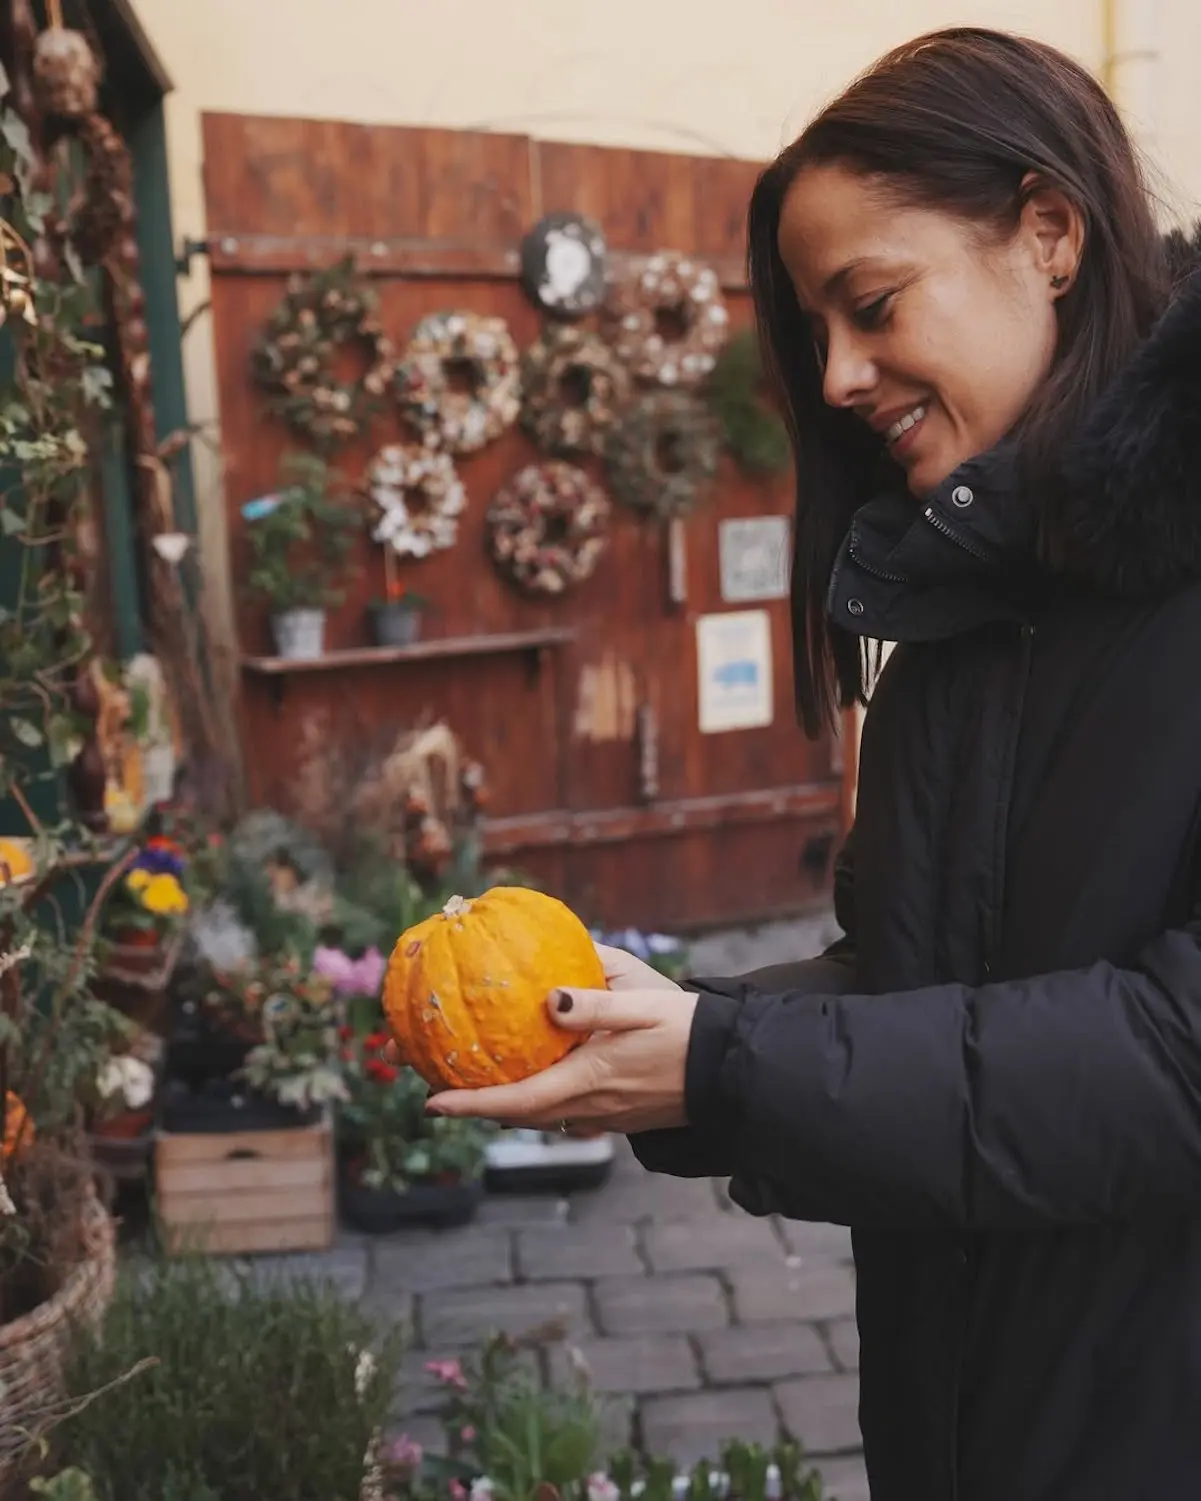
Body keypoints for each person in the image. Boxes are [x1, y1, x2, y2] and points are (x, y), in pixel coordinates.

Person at [423, 27, 1201, 1501]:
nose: (837, 375)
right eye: (816, 330)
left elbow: (1175, 1059)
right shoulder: (970, 613)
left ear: (1048, 233)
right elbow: (931, 981)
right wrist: (681, 1045)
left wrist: (732, 1062)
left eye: (874, 303)